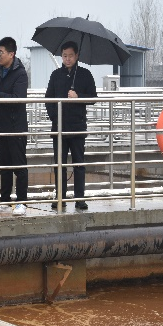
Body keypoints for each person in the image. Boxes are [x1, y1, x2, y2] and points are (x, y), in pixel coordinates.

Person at [45, 41, 97, 210]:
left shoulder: (85, 74)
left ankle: (80, 198)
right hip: (59, 128)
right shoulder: (56, 75)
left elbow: (93, 98)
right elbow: (48, 99)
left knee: (79, 164)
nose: (67, 59)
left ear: (77, 56)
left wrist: (78, 96)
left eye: (71, 56)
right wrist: (55, 117)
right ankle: (60, 197)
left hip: (77, 127)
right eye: (64, 56)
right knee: (59, 165)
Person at [0, 37, 29, 216]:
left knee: (19, 164)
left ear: (11, 54)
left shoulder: (20, 74)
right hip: (1, 125)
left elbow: (18, 98)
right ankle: (4, 200)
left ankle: (22, 201)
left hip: (16, 126)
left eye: (1, 52)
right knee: (4, 165)